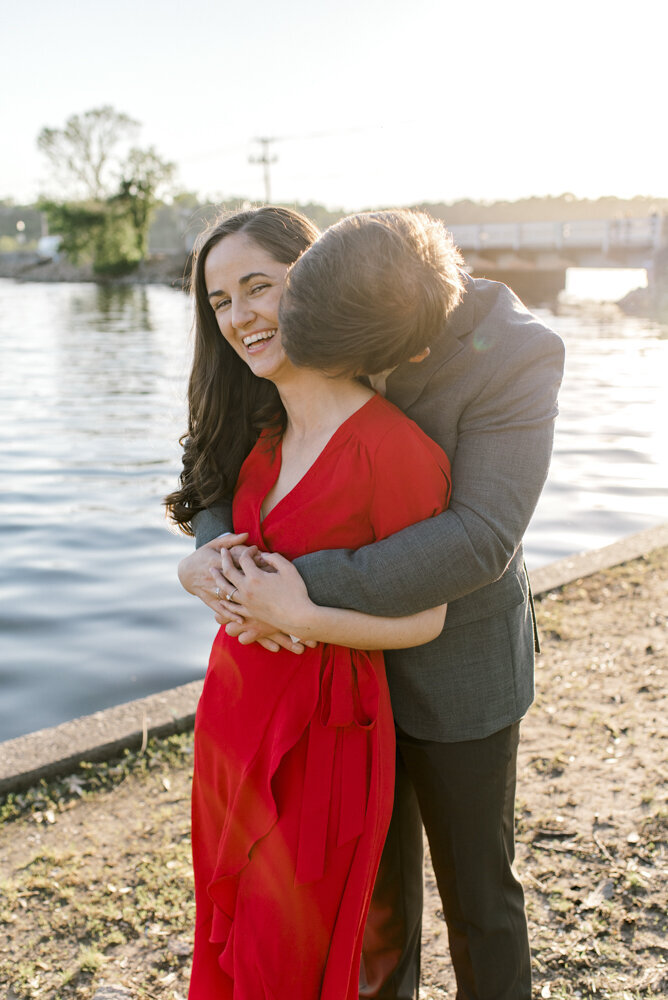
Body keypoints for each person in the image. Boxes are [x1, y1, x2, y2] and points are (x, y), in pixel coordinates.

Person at [181, 204, 566, 999]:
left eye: (260, 289)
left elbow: (478, 540)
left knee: (480, 902)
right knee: (371, 916)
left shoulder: (517, 353)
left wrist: (284, 589)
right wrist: (211, 561)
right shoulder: (316, 301)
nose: (250, 315)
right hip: (338, 691)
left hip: (459, 668)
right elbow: (223, 460)